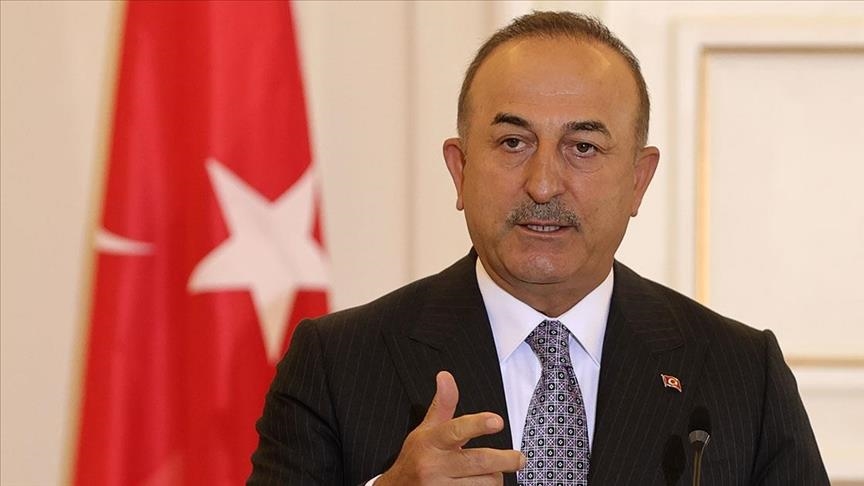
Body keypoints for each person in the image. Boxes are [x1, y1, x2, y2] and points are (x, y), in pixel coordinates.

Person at [249, 11, 827, 486]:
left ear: (638, 180)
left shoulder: (742, 374)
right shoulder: (336, 363)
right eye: (512, 142)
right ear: (460, 169)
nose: (544, 184)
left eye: (583, 147)